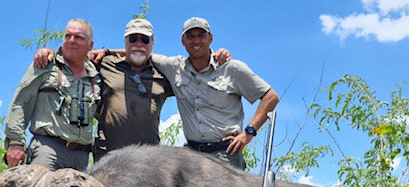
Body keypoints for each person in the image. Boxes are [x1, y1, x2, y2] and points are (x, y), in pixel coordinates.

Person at [33, 19, 231, 162]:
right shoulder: (104, 63)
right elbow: (72, 57)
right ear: (125, 42)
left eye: (144, 40)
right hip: (108, 156)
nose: (138, 43)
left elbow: (195, 72)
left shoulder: (164, 74)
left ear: (152, 44)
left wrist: (215, 55)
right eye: (133, 39)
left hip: (148, 159)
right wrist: (49, 52)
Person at [152, 17, 279, 170]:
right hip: (191, 157)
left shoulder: (232, 68)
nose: (196, 41)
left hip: (225, 155)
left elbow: (271, 97)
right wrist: (113, 53)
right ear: (183, 41)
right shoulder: (174, 67)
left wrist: (248, 134)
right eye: (190, 36)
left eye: (201, 35)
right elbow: (140, 52)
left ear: (210, 39)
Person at [4, 19, 100, 171]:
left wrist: (106, 51)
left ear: (91, 45)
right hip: (48, 150)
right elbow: (21, 102)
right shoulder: (46, 64)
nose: (71, 41)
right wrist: (15, 143)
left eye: (78, 37)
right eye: (67, 36)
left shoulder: (96, 76)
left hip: (81, 157)